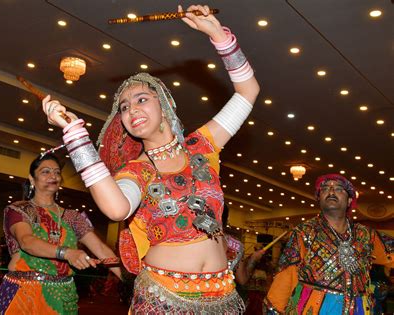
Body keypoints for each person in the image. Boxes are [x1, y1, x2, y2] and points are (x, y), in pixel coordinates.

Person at [43, 4, 261, 313]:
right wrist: (76, 137)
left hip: (221, 297)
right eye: (124, 107)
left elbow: (248, 91)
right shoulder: (137, 171)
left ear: (166, 105)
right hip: (163, 298)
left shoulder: (202, 146)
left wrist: (218, 36)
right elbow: (117, 208)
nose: (131, 110)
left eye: (141, 100)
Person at [0, 153, 121, 314]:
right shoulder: (19, 209)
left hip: (62, 297)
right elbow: (27, 242)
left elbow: (101, 249)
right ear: (32, 178)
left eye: (57, 172)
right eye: (45, 171)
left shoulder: (72, 217)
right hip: (25, 293)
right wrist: (66, 253)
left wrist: (132, 281)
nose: (53, 175)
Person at [264, 174, 394, 314]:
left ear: (350, 200)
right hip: (315, 308)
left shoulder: (366, 235)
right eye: (325, 189)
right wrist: (274, 309)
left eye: (338, 189)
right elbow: (285, 278)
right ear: (318, 198)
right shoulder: (304, 232)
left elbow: (389, 255)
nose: (331, 192)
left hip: (359, 309)